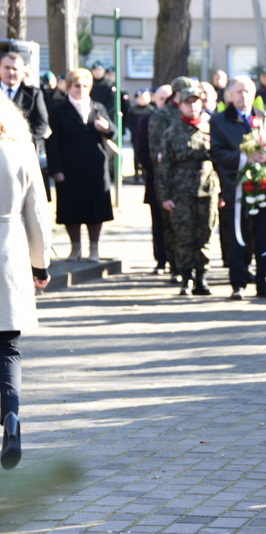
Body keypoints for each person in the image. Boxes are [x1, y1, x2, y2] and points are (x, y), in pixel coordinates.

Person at [0, 94, 51, 470]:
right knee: (8, 347)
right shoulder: (20, 150)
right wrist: (40, 264)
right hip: (9, 251)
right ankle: (11, 418)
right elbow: (37, 211)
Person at [210, 75, 266, 300]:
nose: (244, 96)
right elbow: (216, 153)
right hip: (236, 189)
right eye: (239, 91)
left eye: (248, 91)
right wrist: (245, 157)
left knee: (264, 236)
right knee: (238, 238)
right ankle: (238, 284)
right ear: (230, 95)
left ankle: (263, 282)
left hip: (264, 189)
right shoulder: (219, 120)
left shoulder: (265, 118)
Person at [46, 68, 116, 262]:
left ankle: (94, 248)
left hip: (95, 166)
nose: (81, 90)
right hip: (69, 168)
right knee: (71, 208)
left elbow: (113, 132)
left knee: (96, 208)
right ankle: (75, 248)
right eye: (77, 86)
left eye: (86, 86)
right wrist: (57, 169)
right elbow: (52, 142)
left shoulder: (97, 107)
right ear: (68, 87)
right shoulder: (57, 110)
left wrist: (107, 128)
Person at [159, 87, 220, 296]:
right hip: (181, 191)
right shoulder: (171, 132)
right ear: (180, 105)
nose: (192, 106)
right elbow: (164, 167)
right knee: (184, 235)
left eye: (196, 101)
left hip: (208, 189)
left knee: (205, 234)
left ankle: (202, 278)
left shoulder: (211, 129)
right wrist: (165, 196)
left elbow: (221, 161)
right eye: (187, 102)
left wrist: (223, 194)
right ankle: (186, 277)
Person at [149, 76, 199, 283]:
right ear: (177, 94)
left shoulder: (196, 115)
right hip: (170, 178)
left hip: (195, 183)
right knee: (171, 226)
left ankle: (194, 267)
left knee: (195, 226)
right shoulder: (162, 116)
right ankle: (175, 267)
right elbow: (155, 151)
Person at [0, 53, 50, 201]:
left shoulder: (34, 94)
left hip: (23, 156)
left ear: (22, 71)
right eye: (7, 67)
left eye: (15, 68)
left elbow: (42, 125)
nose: (11, 72)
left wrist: (19, 142)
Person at [136, 84, 172, 275]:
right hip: (155, 179)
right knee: (158, 223)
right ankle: (161, 260)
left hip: (178, 182)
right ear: (154, 100)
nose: (165, 103)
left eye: (169, 99)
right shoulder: (146, 120)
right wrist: (157, 172)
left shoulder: (178, 120)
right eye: (161, 99)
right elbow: (141, 151)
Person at [127, 89, 156, 184]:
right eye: (140, 97)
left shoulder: (151, 110)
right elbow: (129, 122)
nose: (142, 99)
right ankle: (136, 175)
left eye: (145, 97)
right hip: (136, 137)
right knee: (136, 155)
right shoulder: (133, 110)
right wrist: (136, 132)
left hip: (148, 137)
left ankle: (144, 174)